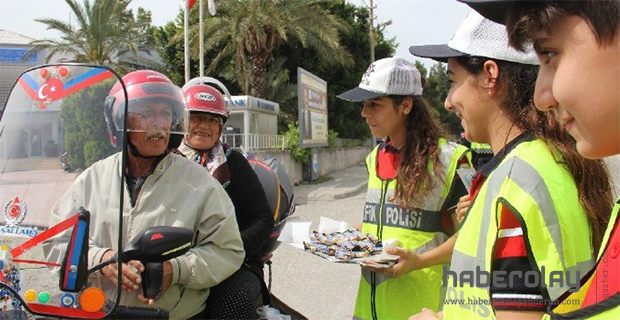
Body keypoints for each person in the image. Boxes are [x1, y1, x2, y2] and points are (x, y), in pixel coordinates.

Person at [408, 10, 612, 320]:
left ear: (490, 75)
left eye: (453, 82)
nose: (449, 101)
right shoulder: (547, 161)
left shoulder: (516, 182)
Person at [47, 70, 245, 320]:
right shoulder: (92, 179)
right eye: (147, 113)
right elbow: (56, 241)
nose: (159, 124)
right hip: (99, 313)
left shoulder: (201, 185)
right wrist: (101, 259)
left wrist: (175, 270)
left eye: (165, 113)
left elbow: (228, 251)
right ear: (119, 120)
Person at [337, 57, 471, 320]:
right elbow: (389, 224)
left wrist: (418, 262)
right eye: (364, 105)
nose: (365, 113)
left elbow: (472, 241)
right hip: (366, 311)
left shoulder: (450, 161)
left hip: (421, 312)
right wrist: (350, 237)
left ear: (405, 106)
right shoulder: (374, 158)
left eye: (374, 104)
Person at [177, 82, 274, 319]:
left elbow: (262, 218)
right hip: (176, 262)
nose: (204, 126)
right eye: (196, 118)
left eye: (212, 120)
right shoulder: (166, 162)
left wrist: (233, 249)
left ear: (221, 127)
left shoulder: (234, 163)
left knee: (233, 303)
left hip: (234, 265)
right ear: (181, 121)